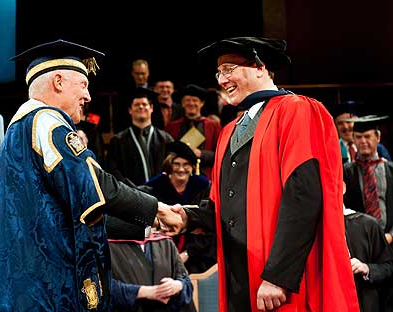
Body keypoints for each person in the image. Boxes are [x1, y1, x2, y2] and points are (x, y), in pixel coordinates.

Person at [0, 39, 182, 312]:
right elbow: (94, 182)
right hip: (43, 287)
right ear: (58, 81)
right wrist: (158, 209)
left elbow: (75, 212)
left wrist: (148, 224)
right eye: (83, 85)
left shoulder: (21, 129)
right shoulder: (46, 121)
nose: (88, 96)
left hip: (23, 281)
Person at [166, 36, 359, 311]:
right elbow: (225, 207)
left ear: (260, 66)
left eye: (229, 69)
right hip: (239, 277)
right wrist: (187, 216)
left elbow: (303, 198)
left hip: (281, 282)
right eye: (219, 72)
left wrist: (277, 277)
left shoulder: (297, 110)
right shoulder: (228, 131)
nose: (222, 80)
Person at [139, 140, 216, 274]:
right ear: (170, 166)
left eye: (186, 164)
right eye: (177, 164)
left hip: (197, 256)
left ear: (192, 167)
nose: (181, 169)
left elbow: (208, 224)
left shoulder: (203, 187)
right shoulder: (155, 187)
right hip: (160, 254)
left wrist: (188, 253)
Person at [107, 215, 196, 312]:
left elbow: (186, 281)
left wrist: (177, 286)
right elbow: (102, 288)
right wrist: (145, 292)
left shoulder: (165, 243)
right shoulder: (106, 248)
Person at [106, 87, 173, 187]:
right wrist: (132, 190)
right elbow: (113, 171)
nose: (141, 107)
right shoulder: (118, 140)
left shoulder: (166, 139)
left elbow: (170, 168)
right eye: (137, 104)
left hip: (161, 194)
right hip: (131, 196)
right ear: (130, 110)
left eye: (144, 104)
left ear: (151, 108)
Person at [343, 115, 393, 245]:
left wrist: (391, 235)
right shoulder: (346, 172)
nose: (363, 141)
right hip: (360, 242)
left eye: (367, 136)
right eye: (358, 137)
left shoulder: (391, 170)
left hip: (390, 239)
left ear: (378, 137)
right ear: (353, 139)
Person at [343, 182, 393, 312]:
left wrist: (367, 269)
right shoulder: (312, 231)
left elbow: (389, 267)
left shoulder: (368, 224)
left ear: (342, 187)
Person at [165, 84, 222, 179]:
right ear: (182, 103)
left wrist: (201, 154)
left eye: (195, 100)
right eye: (187, 100)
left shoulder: (213, 126)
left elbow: (221, 153)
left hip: (206, 176)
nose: (191, 103)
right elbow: (167, 154)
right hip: (179, 175)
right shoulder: (172, 127)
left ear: (202, 103)